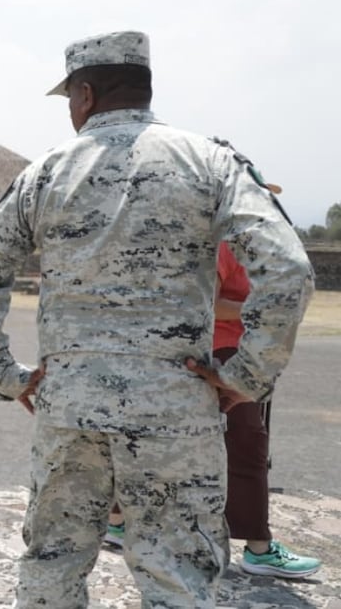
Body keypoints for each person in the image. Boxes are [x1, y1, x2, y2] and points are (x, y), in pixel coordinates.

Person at [0, 31, 312, 607]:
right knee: (179, 574)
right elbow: (288, 268)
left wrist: (7, 375)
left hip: (69, 405)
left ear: (86, 95)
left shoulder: (46, 172)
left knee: (53, 562)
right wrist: (247, 376)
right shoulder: (210, 161)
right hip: (176, 404)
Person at [107, 240, 321, 579]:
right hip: (221, 351)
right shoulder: (225, 241)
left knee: (165, 439)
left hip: (225, 349)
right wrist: (260, 307)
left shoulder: (246, 240)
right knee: (247, 445)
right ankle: (259, 549)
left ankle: (117, 521)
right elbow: (205, 302)